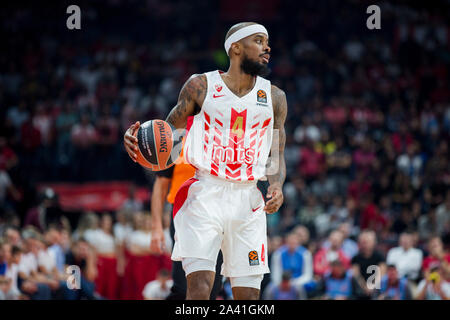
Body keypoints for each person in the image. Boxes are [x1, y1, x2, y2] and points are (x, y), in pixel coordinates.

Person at [124, 22, 286, 300]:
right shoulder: (200, 86)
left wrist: (277, 186)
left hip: (248, 199)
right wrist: (139, 146)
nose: (267, 47)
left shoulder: (274, 97)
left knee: (248, 297)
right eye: (259, 41)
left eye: (267, 42)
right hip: (204, 194)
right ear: (235, 48)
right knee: (199, 288)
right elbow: (167, 147)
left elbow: (275, 156)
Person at [149, 146, 224, 300]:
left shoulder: (222, 131)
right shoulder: (176, 133)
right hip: (185, 213)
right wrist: (156, 227)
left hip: (219, 212)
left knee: (212, 288)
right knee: (183, 287)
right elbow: (161, 183)